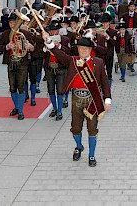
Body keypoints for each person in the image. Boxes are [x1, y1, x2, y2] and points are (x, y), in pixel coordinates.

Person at [42, 31, 112, 167]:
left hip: (92, 100)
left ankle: (91, 155)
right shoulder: (73, 61)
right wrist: (48, 41)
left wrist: (107, 100)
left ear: (91, 50)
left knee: (92, 129)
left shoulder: (98, 62)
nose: (83, 51)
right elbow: (59, 54)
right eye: (81, 48)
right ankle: (79, 146)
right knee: (75, 128)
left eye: (86, 49)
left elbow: (104, 82)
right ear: (78, 49)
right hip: (76, 99)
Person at [0, 13, 35, 120]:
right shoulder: (5, 34)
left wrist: (30, 46)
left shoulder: (25, 33)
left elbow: (33, 47)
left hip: (22, 62)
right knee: (12, 87)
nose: (13, 24)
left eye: (15, 22)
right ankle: (16, 107)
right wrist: (7, 46)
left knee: (21, 86)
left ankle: (21, 111)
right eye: (11, 22)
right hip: (11, 62)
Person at [44, 20, 71, 120]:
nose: (53, 33)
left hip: (61, 68)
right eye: (51, 31)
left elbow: (69, 52)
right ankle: (54, 108)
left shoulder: (65, 39)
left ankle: (59, 111)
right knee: (51, 90)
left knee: (60, 90)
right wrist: (45, 49)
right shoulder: (46, 39)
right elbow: (39, 52)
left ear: (59, 31)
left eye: (55, 31)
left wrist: (59, 46)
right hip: (50, 67)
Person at [121, 3, 137, 72]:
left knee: (134, 48)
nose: (132, 8)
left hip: (135, 32)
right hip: (127, 32)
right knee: (127, 47)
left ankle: (132, 63)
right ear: (128, 8)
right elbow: (122, 24)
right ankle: (128, 62)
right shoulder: (124, 15)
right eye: (131, 6)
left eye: (133, 6)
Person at [100, 13, 117, 86]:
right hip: (101, 54)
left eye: (106, 22)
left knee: (109, 71)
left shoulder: (113, 32)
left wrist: (108, 37)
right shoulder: (99, 31)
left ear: (109, 23)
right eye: (103, 23)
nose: (105, 24)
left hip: (109, 54)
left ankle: (108, 88)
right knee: (101, 71)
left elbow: (114, 43)